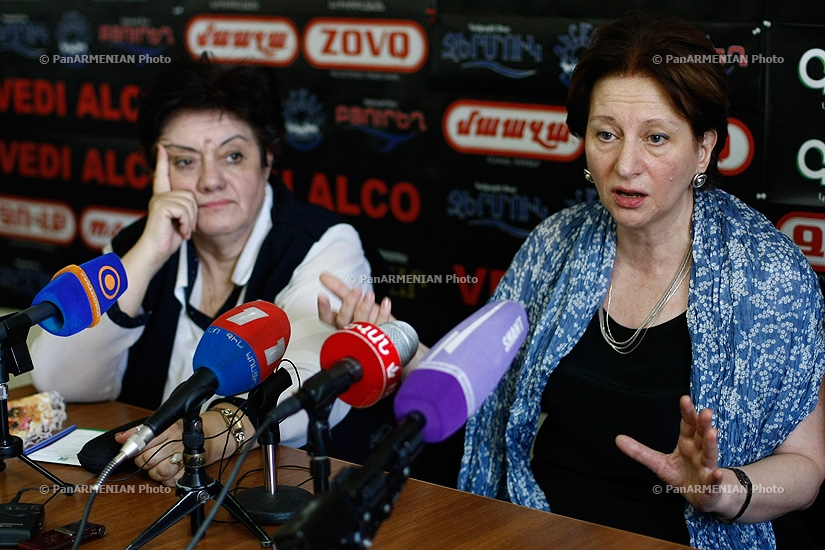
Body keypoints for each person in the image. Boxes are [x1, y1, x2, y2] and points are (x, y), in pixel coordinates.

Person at [321, 12, 825, 548]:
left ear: (703, 148)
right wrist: (394, 349)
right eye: (606, 134)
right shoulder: (556, 244)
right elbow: (484, 383)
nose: (625, 164)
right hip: (533, 526)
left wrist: (722, 492)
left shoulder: (767, 275)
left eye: (656, 138)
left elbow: (807, 468)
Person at [29, 54, 375, 486]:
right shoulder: (138, 243)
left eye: (232, 156)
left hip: (276, 494)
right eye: (186, 161)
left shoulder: (322, 242)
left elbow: (305, 376)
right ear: (159, 168)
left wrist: (203, 440)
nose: (210, 180)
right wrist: (148, 254)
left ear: (267, 159)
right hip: (150, 491)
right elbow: (59, 380)